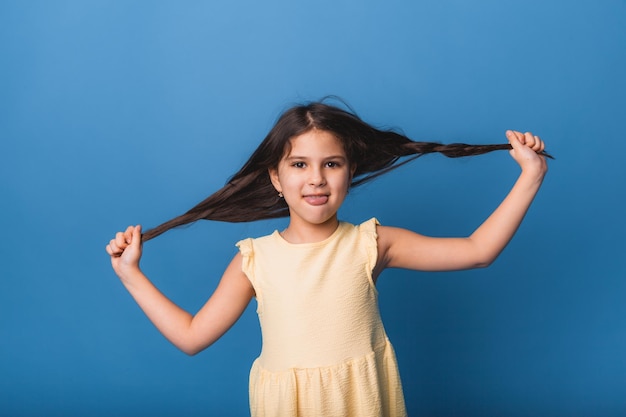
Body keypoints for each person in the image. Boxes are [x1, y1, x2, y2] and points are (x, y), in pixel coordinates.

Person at [106, 100, 548, 417]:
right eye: (299, 165)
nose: (316, 179)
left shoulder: (371, 243)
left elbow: (477, 251)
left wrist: (531, 175)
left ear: (350, 172)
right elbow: (191, 336)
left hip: (362, 403)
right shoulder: (253, 260)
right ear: (276, 178)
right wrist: (131, 275)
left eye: (331, 164)